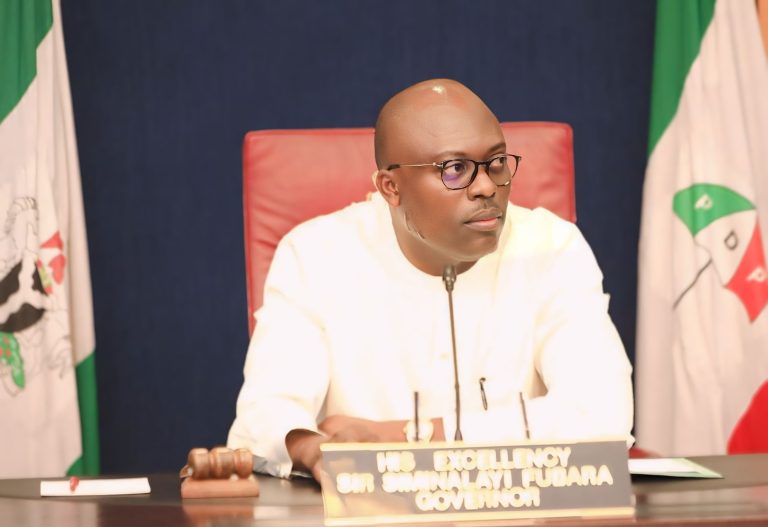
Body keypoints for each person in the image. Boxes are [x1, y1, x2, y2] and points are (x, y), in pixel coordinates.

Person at [227, 79, 633, 480]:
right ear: (391, 188)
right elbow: (265, 418)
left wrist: (400, 437)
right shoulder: (316, 254)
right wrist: (314, 450)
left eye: (496, 162)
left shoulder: (552, 247)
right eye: (455, 169)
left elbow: (603, 414)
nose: (487, 187)